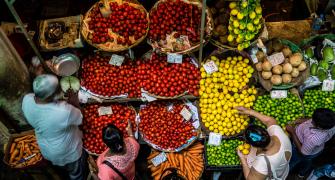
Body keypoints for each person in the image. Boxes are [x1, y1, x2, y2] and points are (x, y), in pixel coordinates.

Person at [22, 74, 87, 180]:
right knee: (76, 173)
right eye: (57, 89)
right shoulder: (63, 111)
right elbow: (80, 118)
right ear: (51, 95)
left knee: (63, 169)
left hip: (46, 149)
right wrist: (74, 102)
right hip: (68, 151)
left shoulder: (26, 100)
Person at [235, 106, 292, 180]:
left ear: (255, 147)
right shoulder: (278, 134)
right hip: (282, 169)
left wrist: (242, 159)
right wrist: (249, 111)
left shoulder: (262, 163)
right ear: (266, 132)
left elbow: (250, 179)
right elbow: (270, 121)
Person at [286, 108, 335, 178]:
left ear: (318, 127)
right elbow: (313, 120)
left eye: (312, 121)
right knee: (308, 161)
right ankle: (302, 173)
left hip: (302, 150)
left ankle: (291, 172)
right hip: (316, 150)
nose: (311, 120)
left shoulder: (313, 139)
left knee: (294, 161)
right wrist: (299, 121)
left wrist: (292, 132)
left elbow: (304, 152)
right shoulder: (331, 124)